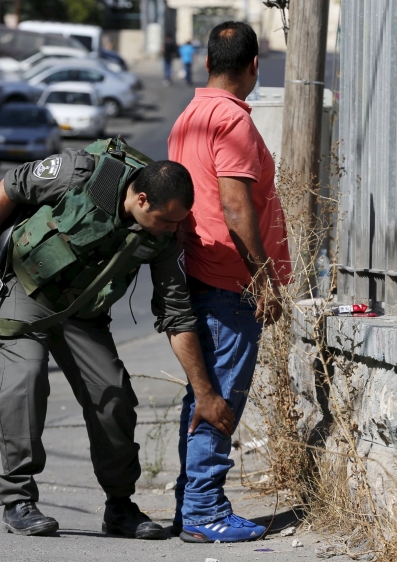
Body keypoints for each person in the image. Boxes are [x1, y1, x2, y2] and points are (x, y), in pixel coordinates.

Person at [0, 140, 213, 540]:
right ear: (142, 199)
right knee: (24, 382)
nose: (174, 230)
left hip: (83, 311)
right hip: (25, 291)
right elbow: (11, 185)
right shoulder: (79, 172)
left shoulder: (164, 237)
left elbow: (176, 314)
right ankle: (18, 500)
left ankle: (120, 507)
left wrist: (204, 392)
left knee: (113, 397)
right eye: (167, 221)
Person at [167, 21, 291, 543]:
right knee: (220, 399)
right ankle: (203, 511)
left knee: (203, 395)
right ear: (254, 66)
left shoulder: (188, 117)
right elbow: (235, 205)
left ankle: (190, 504)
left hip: (199, 270)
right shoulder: (231, 120)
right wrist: (265, 278)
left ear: (206, 62)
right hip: (229, 281)